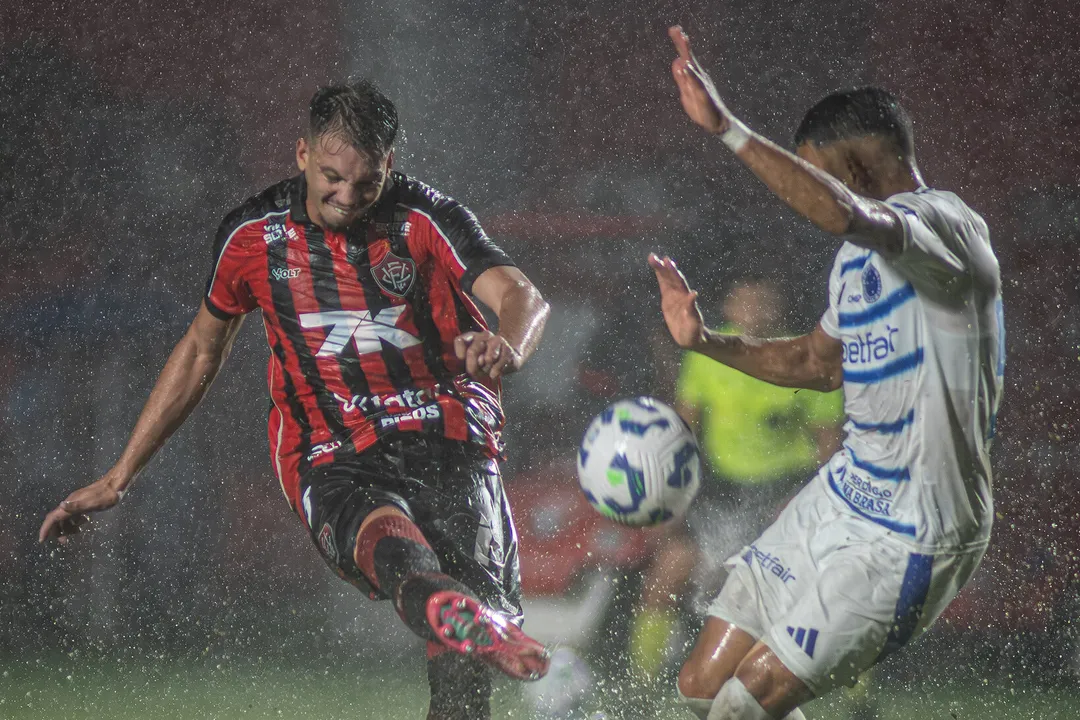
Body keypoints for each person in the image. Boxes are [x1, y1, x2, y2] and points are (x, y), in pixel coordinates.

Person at [38, 79, 552, 719]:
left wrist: (507, 344)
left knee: (463, 692)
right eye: (332, 178)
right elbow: (201, 351)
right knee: (392, 548)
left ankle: (455, 612)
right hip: (330, 446)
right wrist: (119, 475)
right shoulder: (254, 235)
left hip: (447, 434)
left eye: (365, 183)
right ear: (303, 154)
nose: (347, 197)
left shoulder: (424, 217)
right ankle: (448, 604)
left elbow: (522, 295)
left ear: (388, 165)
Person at [649, 26, 1004, 720]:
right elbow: (814, 363)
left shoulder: (948, 230)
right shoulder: (855, 264)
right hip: (842, 498)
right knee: (701, 688)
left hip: (915, 526)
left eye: (816, 171)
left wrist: (727, 130)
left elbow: (841, 212)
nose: (812, 191)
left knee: (745, 703)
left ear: (855, 166)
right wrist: (705, 342)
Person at [629, 277, 842, 682]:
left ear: (779, 307)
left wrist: (813, 502)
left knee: (826, 587)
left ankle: (856, 698)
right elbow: (683, 431)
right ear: (728, 307)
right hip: (722, 489)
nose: (754, 311)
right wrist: (669, 499)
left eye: (764, 302)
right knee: (669, 569)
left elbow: (829, 446)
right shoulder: (709, 351)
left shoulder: (804, 356)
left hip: (786, 489)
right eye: (745, 302)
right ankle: (640, 686)